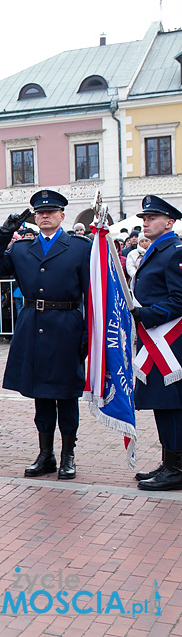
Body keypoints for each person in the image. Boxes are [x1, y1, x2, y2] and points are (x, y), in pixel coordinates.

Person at [0, 190, 90, 480]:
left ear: (62, 216)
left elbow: (92, 294)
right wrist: (5, 232)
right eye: (40, 212)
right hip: (32, 324)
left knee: (66, 394)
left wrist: (87, 334)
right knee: (39, 393)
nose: (44, 216)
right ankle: (46, 454)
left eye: (51, 212)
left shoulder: (80, 247)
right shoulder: (21, 249)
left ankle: (68, 454)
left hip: (66, 324)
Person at [130, 195, 182, 491]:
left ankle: (176, 469)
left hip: (169, 343)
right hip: (157, 340)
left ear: (169, 222)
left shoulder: (174, 251)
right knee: (163, 404)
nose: (145, 222)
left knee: (171, 403)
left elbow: (178, 299)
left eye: (152, 218)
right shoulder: (157, 250)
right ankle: (171, 461)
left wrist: (143, 314)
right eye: (144, 218)